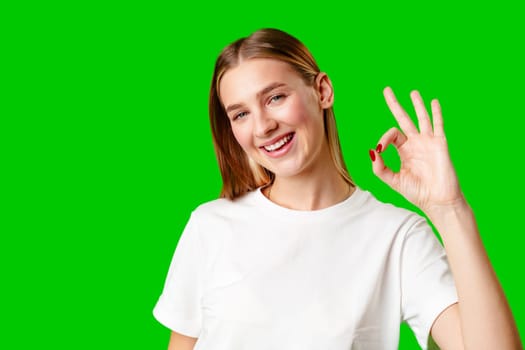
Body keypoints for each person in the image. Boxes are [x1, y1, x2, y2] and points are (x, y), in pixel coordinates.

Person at [153, 28, 521, 349]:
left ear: (323, 91)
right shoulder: (211, 226)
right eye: (241, 114)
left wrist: (449, 209)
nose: (263, 126)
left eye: (275, 97)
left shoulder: (397, 237)